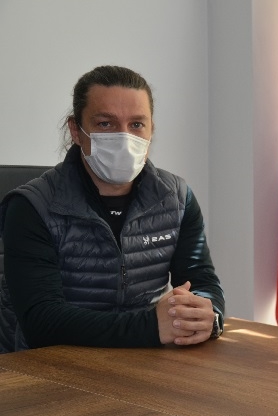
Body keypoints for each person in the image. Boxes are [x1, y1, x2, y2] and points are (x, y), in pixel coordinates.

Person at [0, 65, 224, 352]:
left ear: (151, 130)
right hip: (48, 368)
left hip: (142, 361)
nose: (124, 137)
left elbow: (201, 280)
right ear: (76, 131)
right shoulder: (31, 207)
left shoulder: (176, 199)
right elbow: (42, 322)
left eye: (136, 124)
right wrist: (149, 327)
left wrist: (209, 315)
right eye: (106, 124)